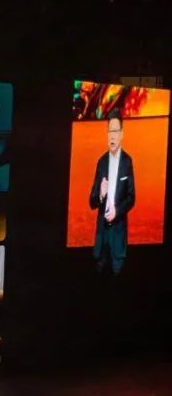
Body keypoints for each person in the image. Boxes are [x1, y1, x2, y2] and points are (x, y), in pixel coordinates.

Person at [88, 110, 135, 276]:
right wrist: (100, 194)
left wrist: (117, 211)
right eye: (109, 131)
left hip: (118, 235)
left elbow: (131, 198)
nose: (112, 136)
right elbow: (92, 202)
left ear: (121, 134)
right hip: (102, 236)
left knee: (118, 276)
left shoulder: (127, 162)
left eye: (115, 131)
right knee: (98, 276)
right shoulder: (101, 162)